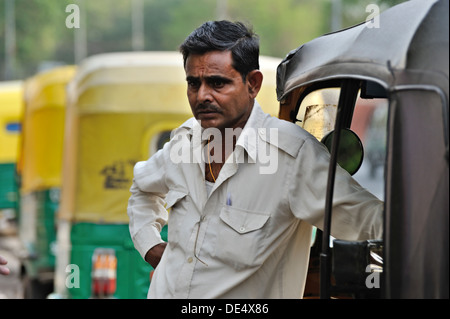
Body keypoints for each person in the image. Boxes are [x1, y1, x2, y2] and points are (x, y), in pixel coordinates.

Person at [127, 20, 383, 298]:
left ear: (253, 84)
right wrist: (151, 246)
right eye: (193, 83)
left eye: (217, 83)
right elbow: (142, 189)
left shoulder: (292, 156)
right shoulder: (184, 141)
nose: (202, 96)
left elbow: (375, 221)